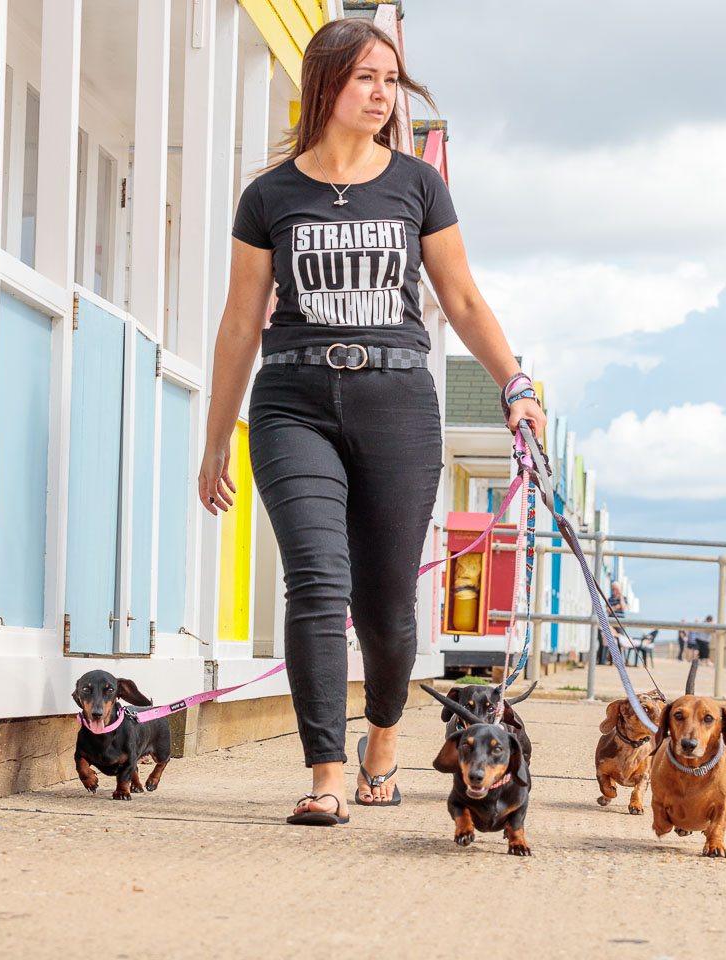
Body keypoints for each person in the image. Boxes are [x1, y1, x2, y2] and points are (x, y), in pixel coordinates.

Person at [197, 18, 545, 827]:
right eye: (365, 77)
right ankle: (324, 771)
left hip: (397, 399)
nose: (383, 92)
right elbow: (240, 324)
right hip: (292, 401)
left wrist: (515, 383)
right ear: (325, 85)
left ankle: (381, 740)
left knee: (387, 606)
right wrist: (218, 438)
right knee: (317, 582)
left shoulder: (417, 185)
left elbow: (460, 300)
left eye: (391, 77)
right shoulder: (271, 197)